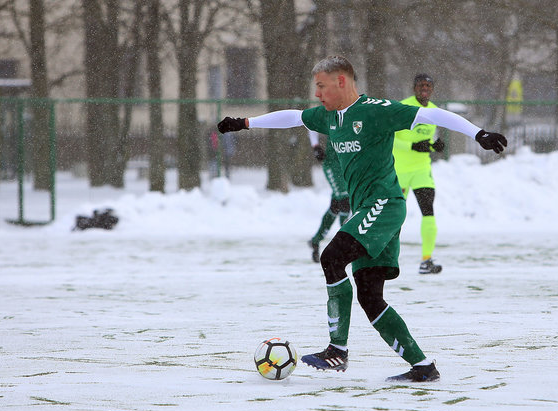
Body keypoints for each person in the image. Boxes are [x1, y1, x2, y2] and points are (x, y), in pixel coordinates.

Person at [217, 55, 507, 382]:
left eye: (322, 86)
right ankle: (423, 367)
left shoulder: (377, 111)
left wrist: (479, 133)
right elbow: (294, 117)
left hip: (384, 203)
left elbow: (431, 113)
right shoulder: (328, 117)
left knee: (331, 257)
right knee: (370, 296)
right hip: (370, 210)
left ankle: (336, 351)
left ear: (342, 82)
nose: (317, 94)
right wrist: (245, 123)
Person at [392, 73, 444, 274]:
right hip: (400, 170)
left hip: (422, 170)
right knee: (395, 216)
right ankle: (387, 258)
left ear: (432, 89)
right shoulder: (403, 107)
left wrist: (436, 146)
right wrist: (411, 146)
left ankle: (426, 260)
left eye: (428, 86)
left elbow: (429, 142)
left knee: (428, 211)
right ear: (414, 88)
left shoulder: (434, 111)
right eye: (421, 85)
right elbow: (390, 137)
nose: (425, 89)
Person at [308, 130, 350, 263]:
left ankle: (316, 241)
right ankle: (344, 246)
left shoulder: (355, 111)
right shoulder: (329, 112)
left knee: (336, 206)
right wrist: (315, 145)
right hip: (333, 165)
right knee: (345, 202)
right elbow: (308, 122)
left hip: (347, 164)